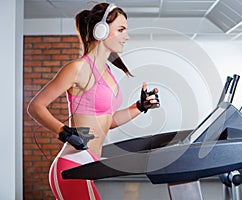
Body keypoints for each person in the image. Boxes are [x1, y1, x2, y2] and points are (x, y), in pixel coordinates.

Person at [27, 3, 160, 199]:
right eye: (121, 30)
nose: (127, 36)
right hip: (72, 165)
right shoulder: (78, 68)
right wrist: (63, 131)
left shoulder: (107, 72)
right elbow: (35, 107)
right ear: (101, 30)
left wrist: (139, 107)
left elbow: (109, 121)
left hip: (88, 164)